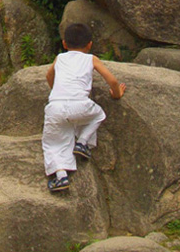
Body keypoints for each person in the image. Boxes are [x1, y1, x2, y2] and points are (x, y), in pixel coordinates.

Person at [42, 23, 126, 193]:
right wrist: (116, 94)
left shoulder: (60, 57)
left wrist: (56, 90)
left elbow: (49, 75)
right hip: (81, 105)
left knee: (54, 143)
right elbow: (113, 81)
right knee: (98, 115)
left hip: (55, 107)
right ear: (89, 44)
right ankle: (81, 143)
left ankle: (61, 177)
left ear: (64, 44)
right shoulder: (91, 58)